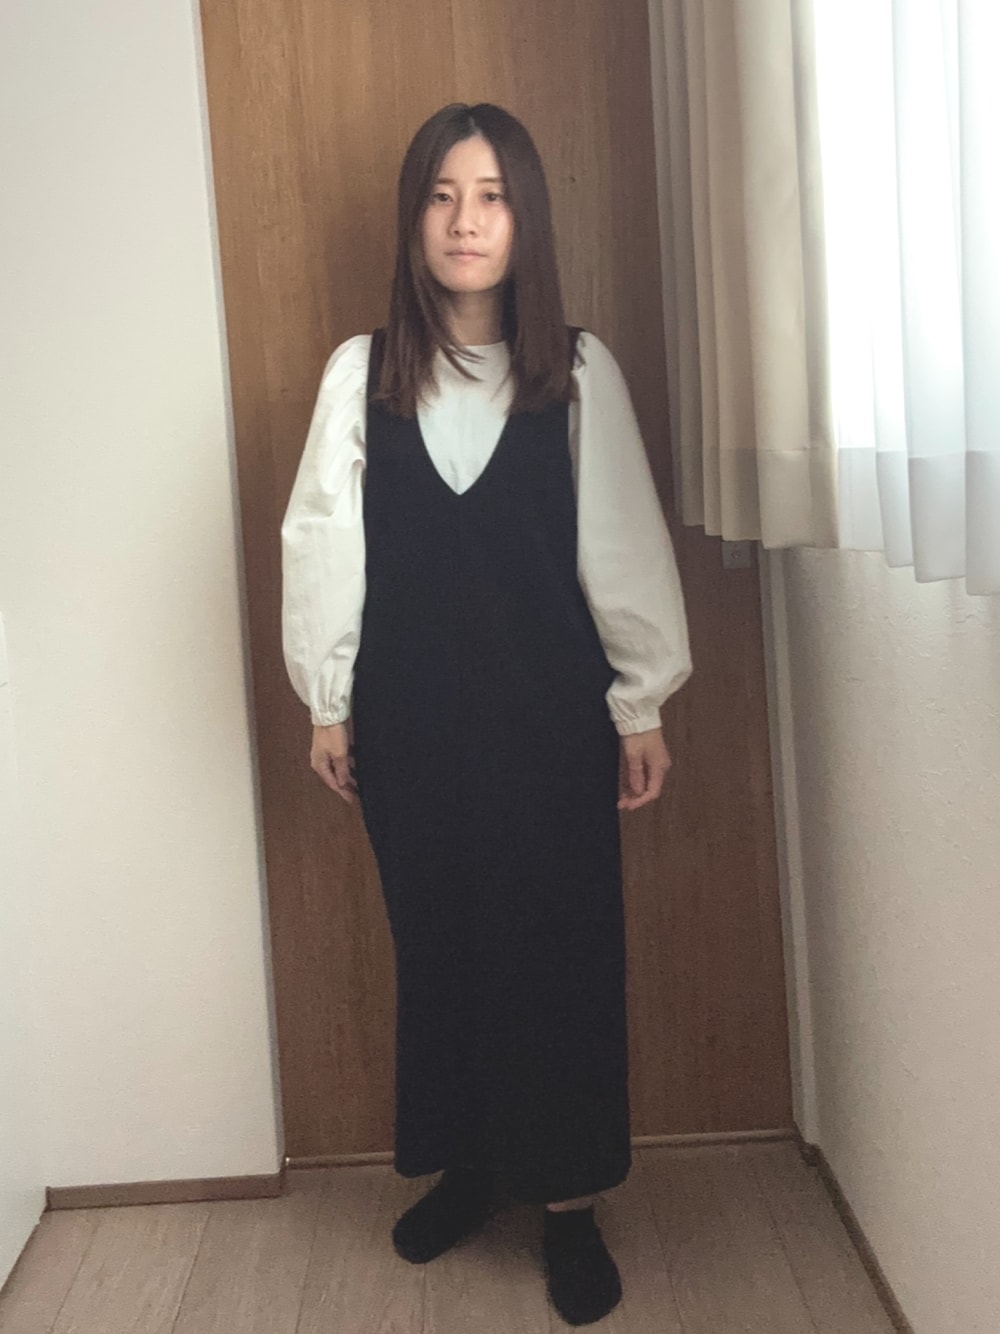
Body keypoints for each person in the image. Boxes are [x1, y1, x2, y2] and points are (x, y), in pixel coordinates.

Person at [281, 102, 691, 1327]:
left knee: (558, 952)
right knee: (441, 945)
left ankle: (567, 1199)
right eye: (443, 195)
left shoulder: (575, 371)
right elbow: (323, 540)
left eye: (493, 196)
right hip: (408, 721)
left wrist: (640, 701)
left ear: (526, 220)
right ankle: (469, 1162)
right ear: (415, 218)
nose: (467, 221)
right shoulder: (363, 375)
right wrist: (328, 698)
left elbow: (619, 540)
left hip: (549, 721)